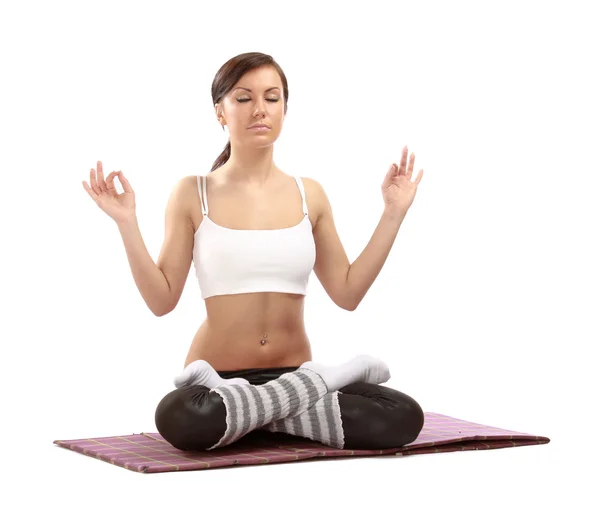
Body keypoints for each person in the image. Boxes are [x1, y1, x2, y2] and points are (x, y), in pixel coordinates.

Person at [82, 52, 425, 452]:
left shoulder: (308, 194)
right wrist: (127, 223)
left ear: (284, 108)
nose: (259, 109)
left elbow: (348, 293)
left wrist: (393, 215)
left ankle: (252, 419)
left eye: (272, 97)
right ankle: (302, 405)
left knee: (402, 415)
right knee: (179, 416)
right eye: (243, 98)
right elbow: (161, 301)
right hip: (216, 382)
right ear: (220, 112)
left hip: (292, 373)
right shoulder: (193, 193)